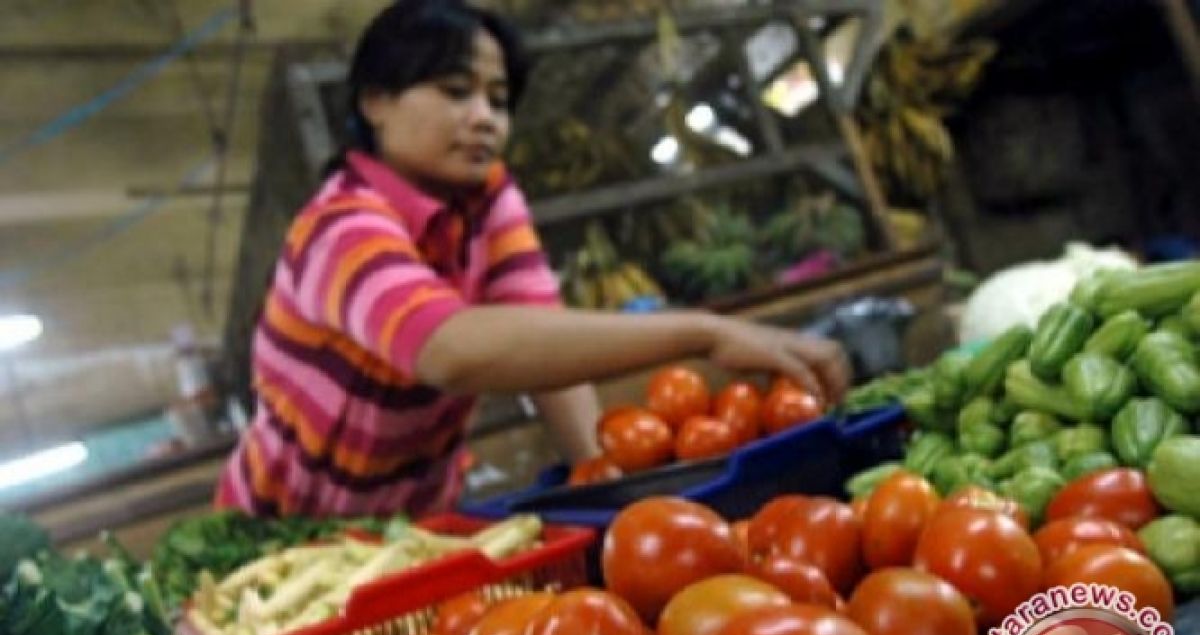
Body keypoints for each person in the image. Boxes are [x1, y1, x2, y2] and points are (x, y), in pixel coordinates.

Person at [216, 0, 850, 519]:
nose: (484, 119)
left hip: (410, 522)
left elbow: (542, 337)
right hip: (286, 530)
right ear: (375, 100)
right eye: (456, 91)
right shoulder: (339, 226)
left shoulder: (489, 201)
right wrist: (703, 332)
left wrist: (602, 480)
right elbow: (449, 349)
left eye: (497, 100)